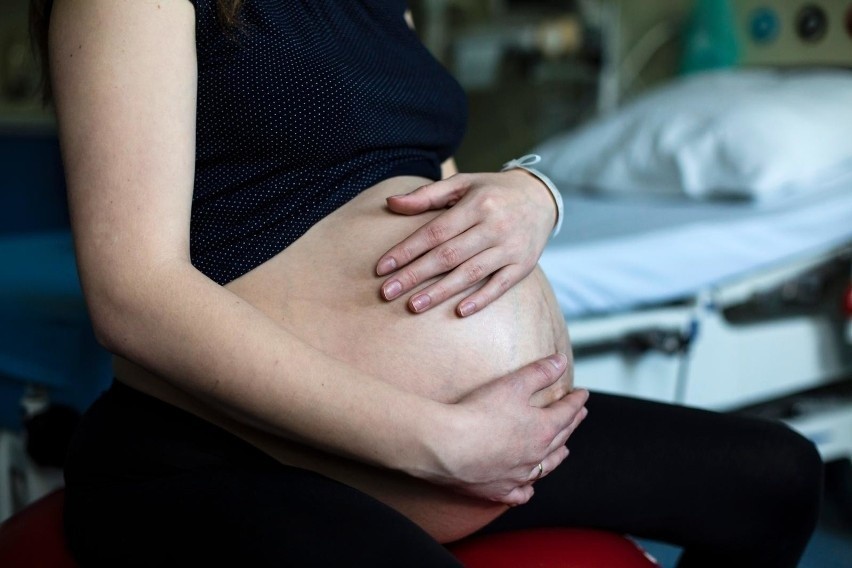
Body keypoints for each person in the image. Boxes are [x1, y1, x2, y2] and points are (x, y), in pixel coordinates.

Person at [30, 1, 823, 566]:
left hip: (475, 444)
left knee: (777, 480)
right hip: (222, 448)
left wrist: (533, 194)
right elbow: (133, 294)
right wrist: (439, 442)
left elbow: (428, 185)